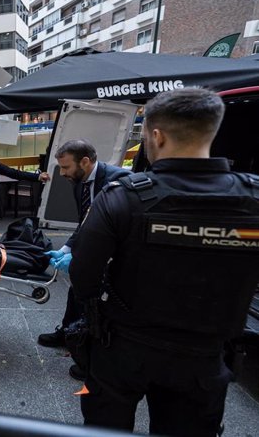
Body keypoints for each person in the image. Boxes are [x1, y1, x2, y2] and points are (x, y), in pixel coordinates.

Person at [69, 88, 259, 436]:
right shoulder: (253, 199)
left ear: (156, 136)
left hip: (123, 349)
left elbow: (83, 275)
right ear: (210, 132)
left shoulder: (124, 197)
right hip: (205, 356)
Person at [38, 139, 129, 381]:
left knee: (97, 301)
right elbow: (85, 222)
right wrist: (68, 248)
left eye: (66, 167)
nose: (63, 173)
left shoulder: (118, 181)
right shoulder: (80, 182)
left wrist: (93, 258)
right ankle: (69, 334)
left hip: (115, 253)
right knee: (77, 290)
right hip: (93, 248)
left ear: (85, 162)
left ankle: (89, 354)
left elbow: (121, 228)